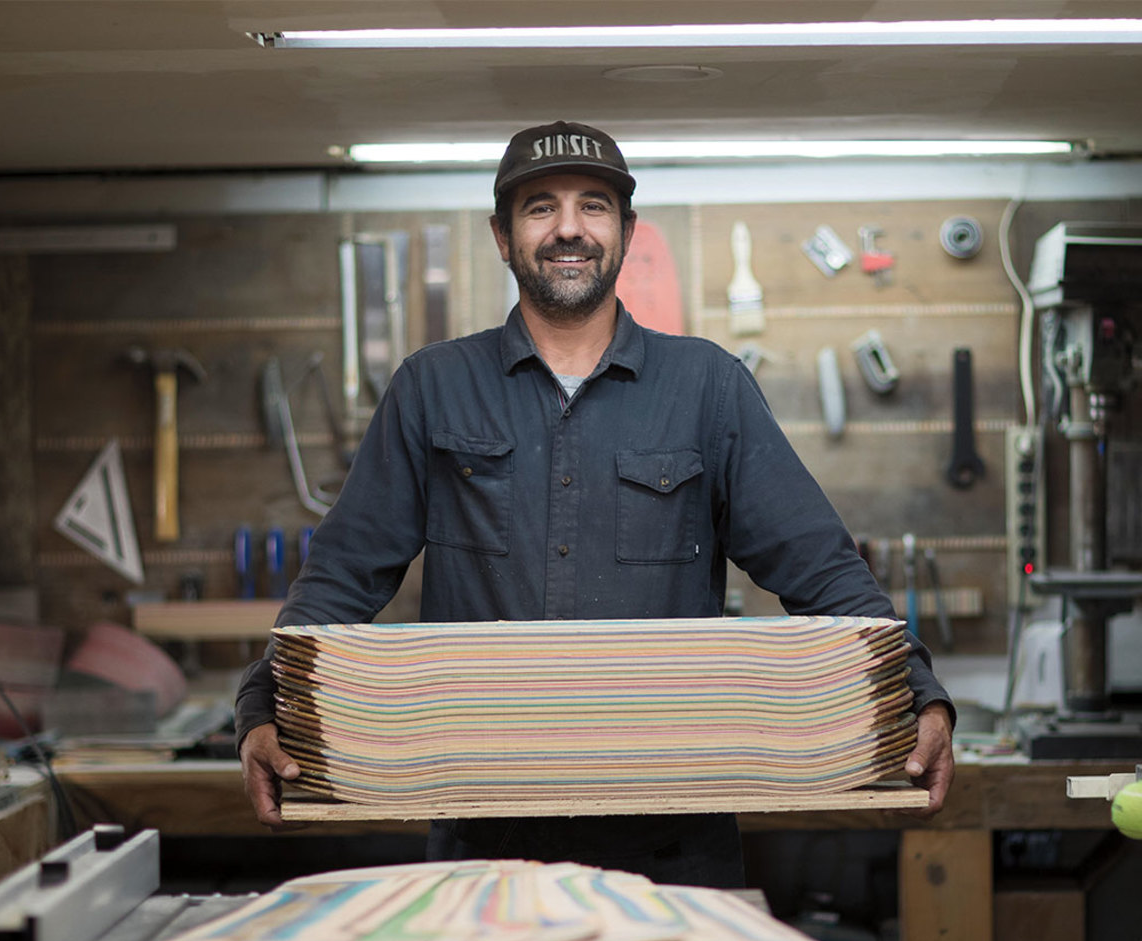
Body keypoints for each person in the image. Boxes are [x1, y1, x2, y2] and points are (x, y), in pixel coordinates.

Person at [236, 120, 955, 887]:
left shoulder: (707, 386)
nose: (569, 228)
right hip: (485, 848)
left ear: (627, 232)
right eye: (540, 208)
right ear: (503, 237)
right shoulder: (431, 386)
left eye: (595, 206)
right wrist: (262, 703)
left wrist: (920, 692)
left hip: (675, 847)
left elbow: (821, 571)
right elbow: (342, 575)